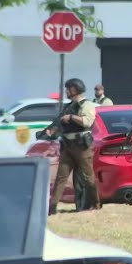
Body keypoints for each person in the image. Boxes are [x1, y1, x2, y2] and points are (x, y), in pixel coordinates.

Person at [47, 78, 101, 215]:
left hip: (82, 147)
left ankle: (95, 204)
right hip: (68, 146)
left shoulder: (87, 105)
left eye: (68, 89)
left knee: (87, 177)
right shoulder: (68, 106)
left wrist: (71, 117)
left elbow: (87, 122)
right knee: (61, 178)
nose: (66, 92)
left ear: (74, 90)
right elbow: (60, 124)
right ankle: (52, 208)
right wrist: (52, 130)